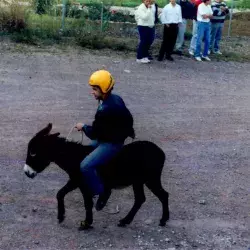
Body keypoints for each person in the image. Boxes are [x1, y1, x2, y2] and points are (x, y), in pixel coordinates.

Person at [75, 70, 135, 211]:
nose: (92, 92)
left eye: (95, 89)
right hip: (112, 137)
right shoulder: (117, 99)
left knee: (85, 165)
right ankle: (99, 176)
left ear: (104, 89)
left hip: (112, 143)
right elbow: (129, 118)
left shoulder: (104, 109)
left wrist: (83, 126)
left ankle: (101, 191)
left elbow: (94, 134)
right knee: (87, 152)